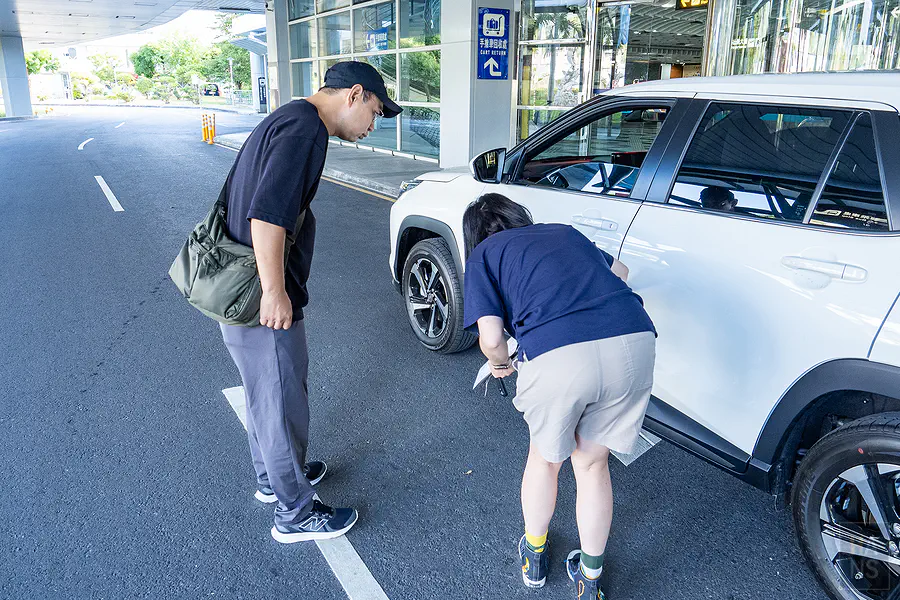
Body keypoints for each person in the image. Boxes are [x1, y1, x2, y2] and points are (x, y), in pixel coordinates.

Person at [219, 62, 401, 544]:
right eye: (375, 112)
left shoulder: (288, 118)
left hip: (240, 290)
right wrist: (275, 291)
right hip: (261, 295)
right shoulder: (306, 129)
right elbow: (267, 216)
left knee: (268, 397)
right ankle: (294, 513)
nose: (372, 125)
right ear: (354, 95)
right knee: (280, 401)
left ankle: (274, 477)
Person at [462, 194, 657, 599]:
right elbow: (620, 270)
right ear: (522, 218)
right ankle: (589, 578)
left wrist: (501, 365)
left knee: (546, 458)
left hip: (558, 354)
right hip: (633, 340)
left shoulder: (483, 254)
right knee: (591, 466)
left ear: (474, 236)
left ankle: (534, 557)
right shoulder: (564, 233)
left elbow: (492, 338)